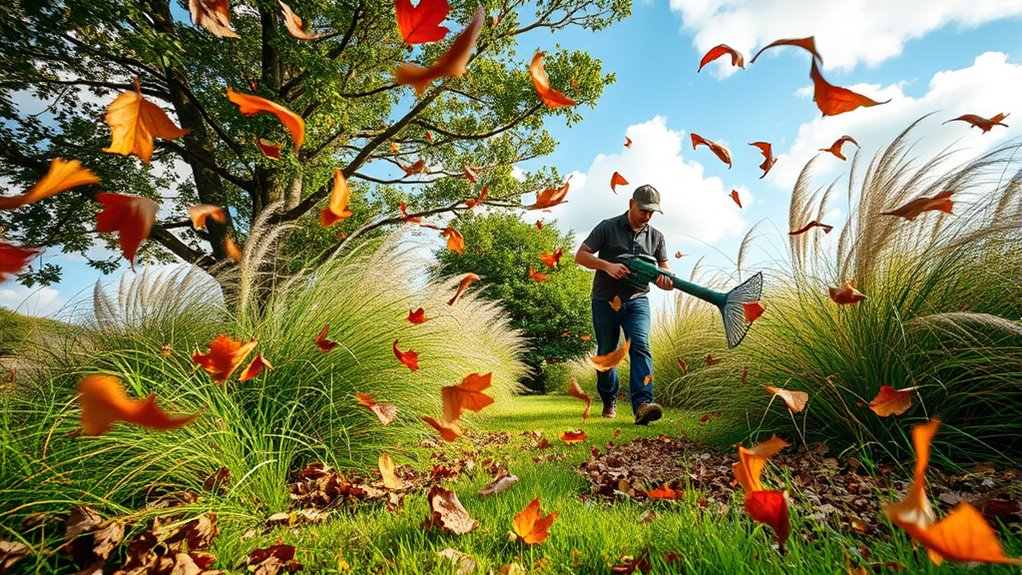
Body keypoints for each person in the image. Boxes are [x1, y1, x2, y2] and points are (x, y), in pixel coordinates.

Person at [574, 184, 673, 425]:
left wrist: (665, 279)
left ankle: (642, 404)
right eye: (643, 210)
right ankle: (609, 400)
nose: (647, 216)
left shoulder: (657, 237)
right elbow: (581, 255)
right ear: (631, 204)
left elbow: (665, 268)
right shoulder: (607, 227)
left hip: (638, 300)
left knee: (640, 345)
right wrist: (608, 266)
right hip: (604, 300)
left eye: (652, 212)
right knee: (608, 352)